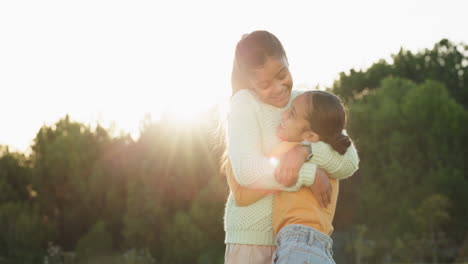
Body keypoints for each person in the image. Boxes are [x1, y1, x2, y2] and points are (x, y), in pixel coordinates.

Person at [223, 30, 359, 264]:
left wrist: (304, 151)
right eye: (265, 84)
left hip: (303, 240)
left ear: (288, 62)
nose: (278, 88)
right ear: (250, 83)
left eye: (282, 74)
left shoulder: (306, 102)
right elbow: (247, 171)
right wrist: (309, 173)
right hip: (253, 240)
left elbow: (348, 160)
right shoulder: (244, 104)